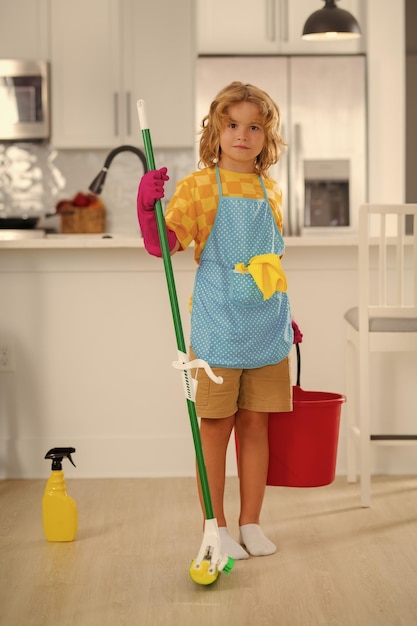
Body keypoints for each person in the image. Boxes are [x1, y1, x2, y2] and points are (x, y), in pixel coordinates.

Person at [137, 81, 301, 560]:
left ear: (267, 138)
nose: (243, 135)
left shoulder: (271, 189)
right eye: (232, 125)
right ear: (215, 129)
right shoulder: (199, 188)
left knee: (256, 425)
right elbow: (162, 246)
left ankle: (251, 522)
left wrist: (289, 317)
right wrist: (147, 208)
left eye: (254, 127)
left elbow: (270, 261)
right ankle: (217, 525)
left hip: (267, 325)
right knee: (215, 425)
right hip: (218, 326)